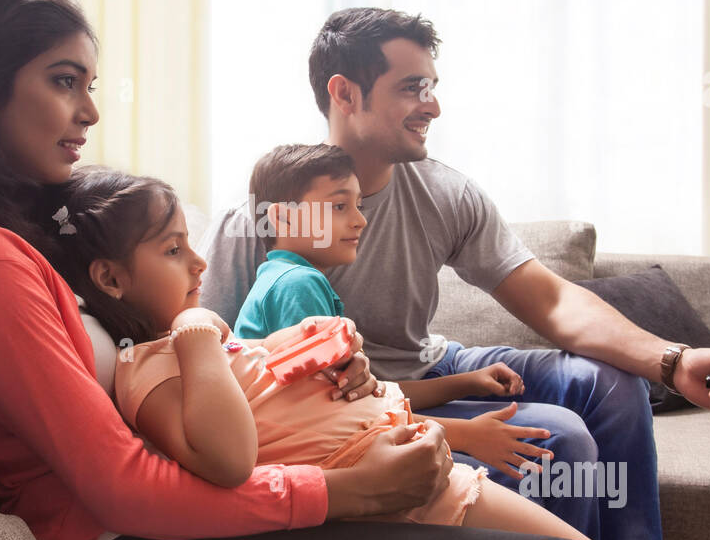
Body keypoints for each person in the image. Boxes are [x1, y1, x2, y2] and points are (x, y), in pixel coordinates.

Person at [0, 0, 649, 540]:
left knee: (581, 505)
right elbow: (119, 484)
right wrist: (345, 493)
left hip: (178, 528)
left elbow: (186, 357)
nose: (88, 110)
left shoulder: (4, 228)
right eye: (62, 81)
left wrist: (317, 371)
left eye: (88, 83)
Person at [200, 7, 710, 540]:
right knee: (560, 441)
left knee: (614, 384)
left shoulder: (444, 192)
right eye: (411, 88)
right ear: (345, 93)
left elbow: (552, 301)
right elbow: (204, 360)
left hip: (427, 367)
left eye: (432, 87)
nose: (432, 106)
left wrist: (673, 361)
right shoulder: (263, 220)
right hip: (353, 412)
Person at [33, 165, 680, 540]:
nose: (200, 260)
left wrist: (339, 368)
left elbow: (286, 400)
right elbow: (228, 458)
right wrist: (201, 329)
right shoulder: (152, 364)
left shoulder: (207, 346)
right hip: (399, 497)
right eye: (174, 251)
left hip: (418, 469)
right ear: (111, 279)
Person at [233, 142, 548, 480]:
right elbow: (340, 419)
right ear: (282, 217)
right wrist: (466, 434)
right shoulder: (297, 285)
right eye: (340, 206)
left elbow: (358, 394)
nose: (360, 221)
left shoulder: (287, 278)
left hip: (323, 448)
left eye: (358, 205)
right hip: (317, 464)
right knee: (546, 451)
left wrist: (465, 383)